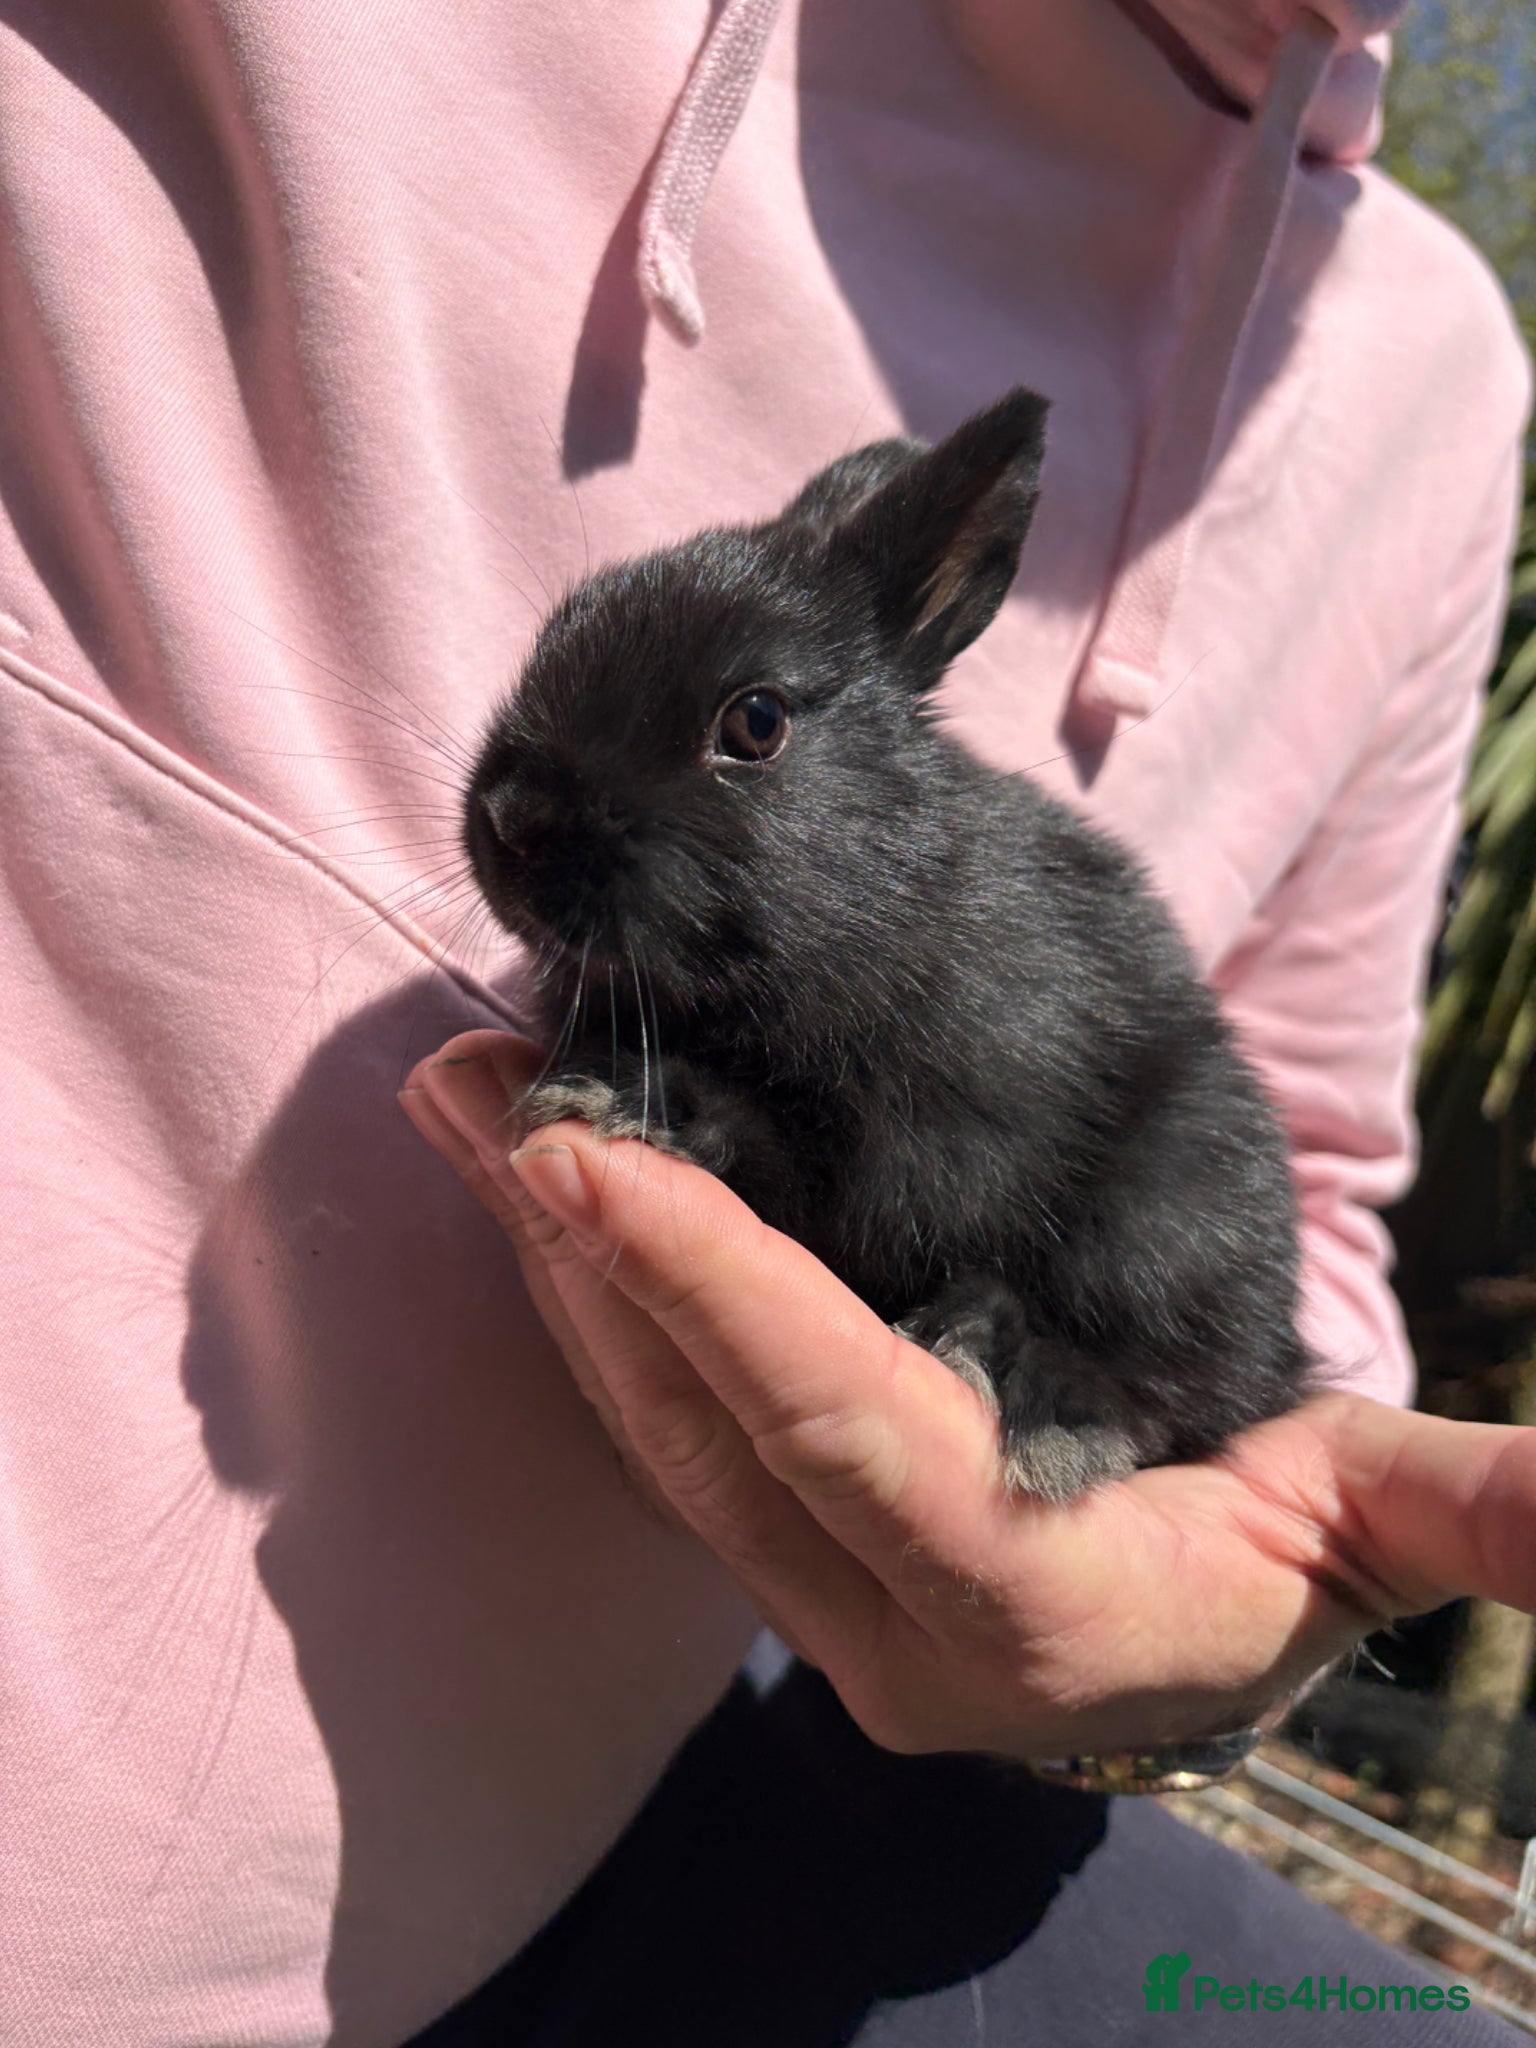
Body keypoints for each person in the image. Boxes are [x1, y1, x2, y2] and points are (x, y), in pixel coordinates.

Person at [0, 0, 1528, 2043]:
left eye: (734, 738)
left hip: (711, 1772)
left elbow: (1307, 1192)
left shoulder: (1433, 383)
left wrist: (1194, 1637)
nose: (523, 828)